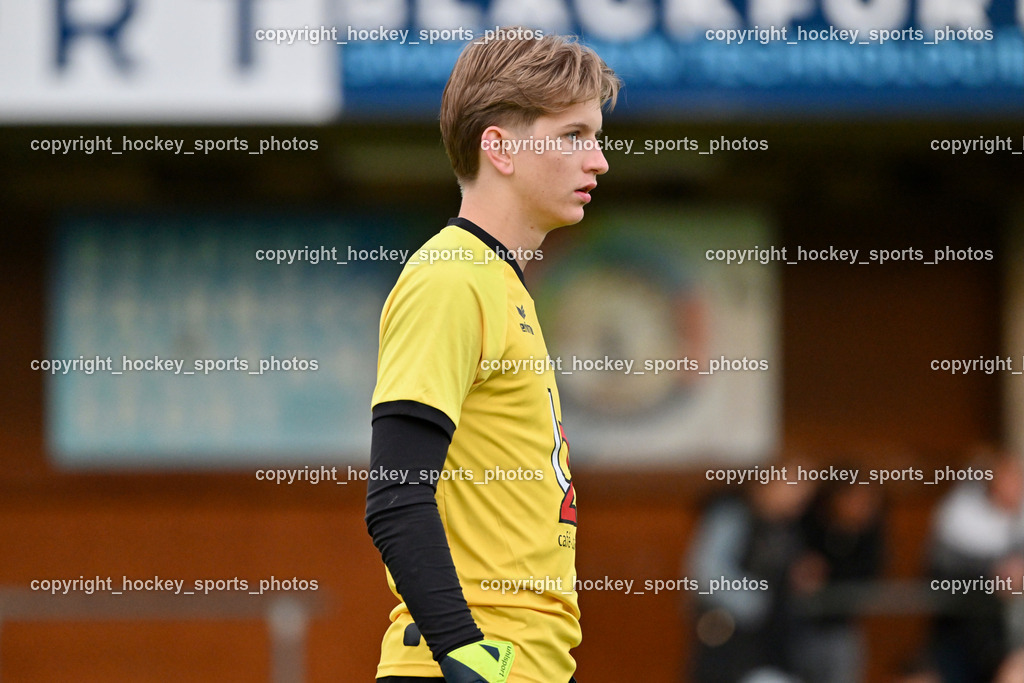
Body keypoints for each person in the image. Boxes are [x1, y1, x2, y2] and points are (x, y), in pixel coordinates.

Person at [365, 28, 620, 683]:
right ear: (499, 149)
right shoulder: (451, 276)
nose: (598, 161)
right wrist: (462, 651)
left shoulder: (501, 281)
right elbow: (396, 495)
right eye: (573, 136)